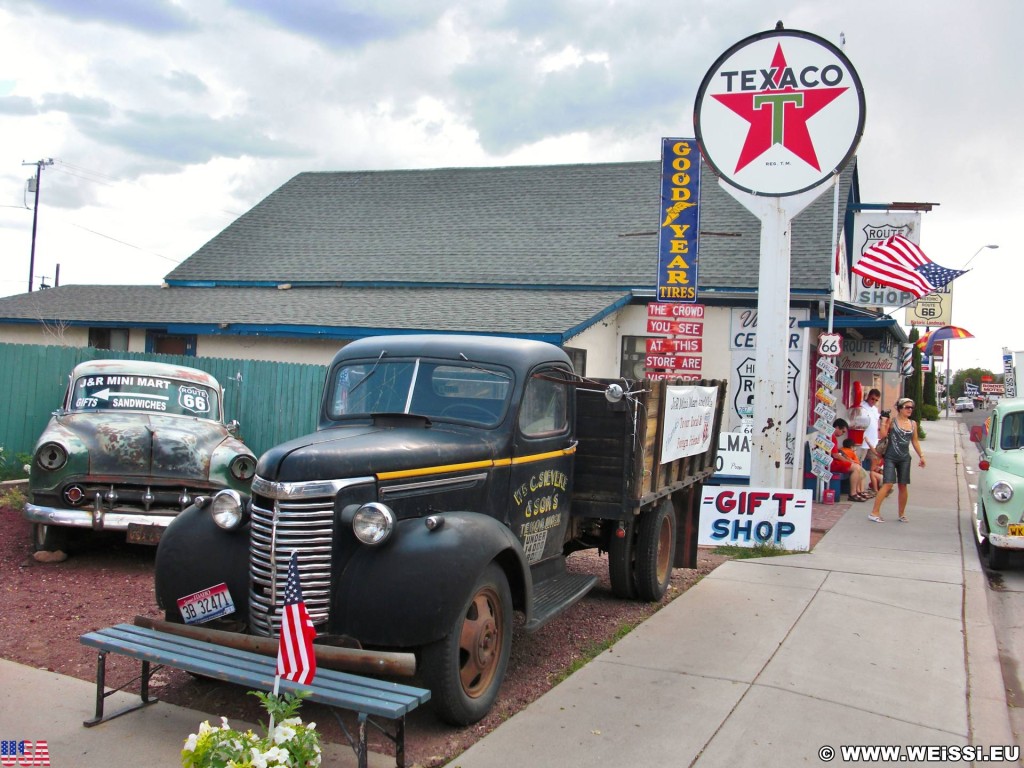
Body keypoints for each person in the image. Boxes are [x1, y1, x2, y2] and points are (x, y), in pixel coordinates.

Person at [869, 397, 926, 523]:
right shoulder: (893, 421)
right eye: (907, 407)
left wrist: (921, 456)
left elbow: (914, 441)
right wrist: (884, 422)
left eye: (911, 407)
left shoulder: (913, 424)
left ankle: (901, 513)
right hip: (890, 456)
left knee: (903, 485)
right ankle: (874, 512)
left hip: (904, 457)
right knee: (888, 483)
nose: (910, 410)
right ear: (900, 408)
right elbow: (883, 435)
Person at [831, 418, 869, 501]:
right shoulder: (832, 437)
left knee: (857, 467)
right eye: (843, 431)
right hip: (831, 463)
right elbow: (835, 455)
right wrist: (848, 461)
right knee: (856, 468)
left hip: (832, 461)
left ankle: (856, 491)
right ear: (837, 427)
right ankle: (853, 493)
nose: (842, 434)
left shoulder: (832, 437)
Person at [859, 388, 882, 461]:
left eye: (876, 400)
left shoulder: (875, 409)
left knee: (874, 464)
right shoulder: (862, 407)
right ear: (868, 396)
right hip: (864, 442)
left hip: (873, 442)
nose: (874, 401)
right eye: (872, 399)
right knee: (860, 461)